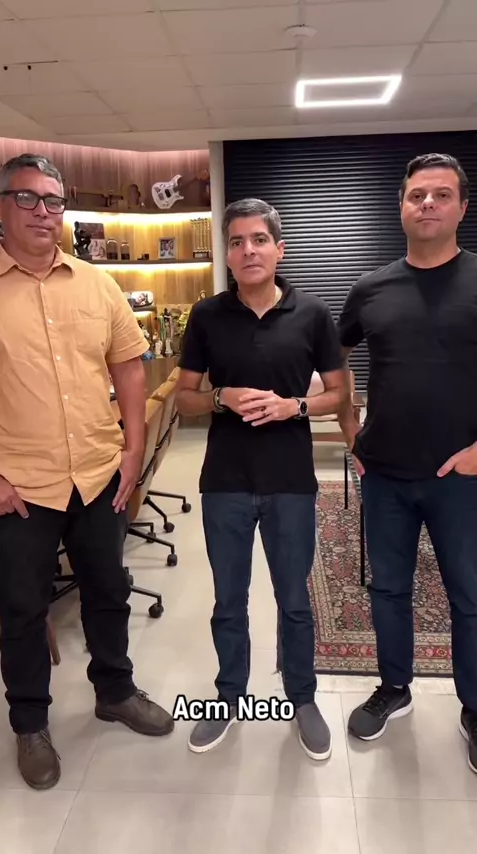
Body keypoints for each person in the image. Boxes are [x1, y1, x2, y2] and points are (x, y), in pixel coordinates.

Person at [0, 153, 174, 791]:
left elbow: (128, 366)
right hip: (19, 487)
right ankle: (30, 725)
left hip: (99, 475)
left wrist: (133, 450)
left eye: (53, 200)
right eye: (28, 198)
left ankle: (115, 691)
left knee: (108, 590)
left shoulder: (98, 285)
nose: (43, 212)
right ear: (1, 207)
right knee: (22, 609)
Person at [175, 198, 347, 758]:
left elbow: (339, 392)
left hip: (290, 480)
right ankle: (228, 697)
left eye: (258, 239)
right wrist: (219, 396)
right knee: (229, 599)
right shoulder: (206, 316)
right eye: (236, 242)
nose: (248, 250)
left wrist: (295, 406)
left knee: (294, 600)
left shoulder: (312, 314)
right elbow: (183, 398)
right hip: (225, 479)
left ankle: (302, 698)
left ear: (279, 249)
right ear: (227, 255)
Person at [337, 152, 477, 774]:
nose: (428, 204)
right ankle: (395, 687)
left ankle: (475, 706)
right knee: (389, 589)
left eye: (441, 195)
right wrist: (350, 428)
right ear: (400, 207)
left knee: (469, 595)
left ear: (461, 208)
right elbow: (335, 357)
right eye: (417, 195)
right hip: (385, 473)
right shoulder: (370, 289)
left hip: (462, 477)